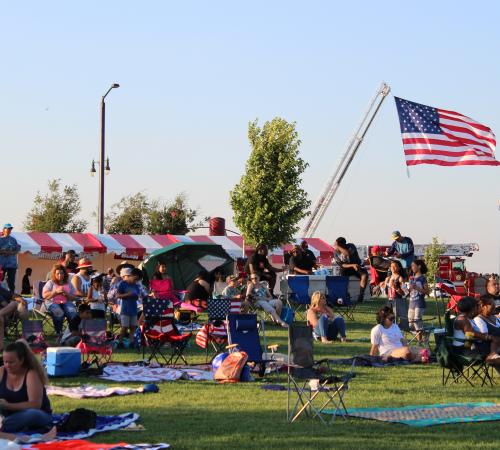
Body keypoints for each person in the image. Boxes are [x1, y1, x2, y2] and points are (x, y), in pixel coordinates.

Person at [0, 341, 52, 433]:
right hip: (9, 416)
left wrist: (8, 406)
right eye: (5, 362)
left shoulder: (31, 374)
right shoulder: (1, 371)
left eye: (11, 362)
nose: (7, 365)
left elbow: (35, 405)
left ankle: (4, 427)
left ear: (21, 360)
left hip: (37, 415)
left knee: (31, 414)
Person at [42, 264, 79, 338]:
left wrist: (66, 294)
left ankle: (71, 332)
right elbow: (44, 296)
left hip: (66, 302)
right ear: (54, 274)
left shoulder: (68, 283)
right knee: (59, 313)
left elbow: (74, 297)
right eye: (57, 273)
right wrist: (55, 292)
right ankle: (59, 332)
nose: (59, 275)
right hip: (52, 302)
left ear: (64, 274)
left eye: (61, 273)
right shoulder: (50, 282)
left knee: (73, 313)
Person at [333, 237, 368, 303]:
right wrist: (352, 265)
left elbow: (347, 253)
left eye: (336, 244)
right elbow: (342, 265)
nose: (334, 245)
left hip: (357, 266)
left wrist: (338, 246)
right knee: (341, 279)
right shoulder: (335, 252)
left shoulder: (351, 246)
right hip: (346, 268)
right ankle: (343, 295)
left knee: (364, 275)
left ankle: (361, 295)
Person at [116, 267, 140, 348]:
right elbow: (118, 295)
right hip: (125, 309)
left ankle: (131, 342)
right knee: (124, 327)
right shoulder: (123, 284)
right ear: (131, 275)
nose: (135, 281)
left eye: (137, 280)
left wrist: (135, 296)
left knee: (133, 327)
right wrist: (127, 294)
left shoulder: (136, 285)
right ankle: (120, 342)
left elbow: (137, 297)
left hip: (134, 309)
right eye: (135, 279)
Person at [473, 296, 500, 367]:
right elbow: (484, 336)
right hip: (486, 348)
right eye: (491, 304)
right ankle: (492, 356)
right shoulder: (478, 319)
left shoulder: (495, 317)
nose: (494, 306)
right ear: (483, 306)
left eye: (494, 303)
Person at [0, 287, 28, 352]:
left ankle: (28, 337)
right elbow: (4, 303)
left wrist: (21, 299)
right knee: (15, 304)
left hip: (6, 313)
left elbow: (11, 295)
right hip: (5, 312)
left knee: (22, 308)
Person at [408, 260, 429, 342]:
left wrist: (417, 288)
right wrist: (409, 288)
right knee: (410, 325)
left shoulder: (422, 278)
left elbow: (427, 292)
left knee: (417, 321)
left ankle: (420, 341)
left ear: (419, 266)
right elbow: (409, 291)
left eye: (413, 265)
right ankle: (424, 334)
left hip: (419, 304)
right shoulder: (411, 278)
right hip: (411, 303)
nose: (412, 267)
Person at [0, 224, 20, 293]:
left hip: (12, 265)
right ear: (4, 229)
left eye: (10, 229)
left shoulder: (13, 240)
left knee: (11, 282)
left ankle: (12, 296)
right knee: (1, 281)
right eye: (7, 228)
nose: (9, 230)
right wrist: (5, 251)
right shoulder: (0, 239)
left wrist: (11, 252)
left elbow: (17, 249)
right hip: (2, 265)